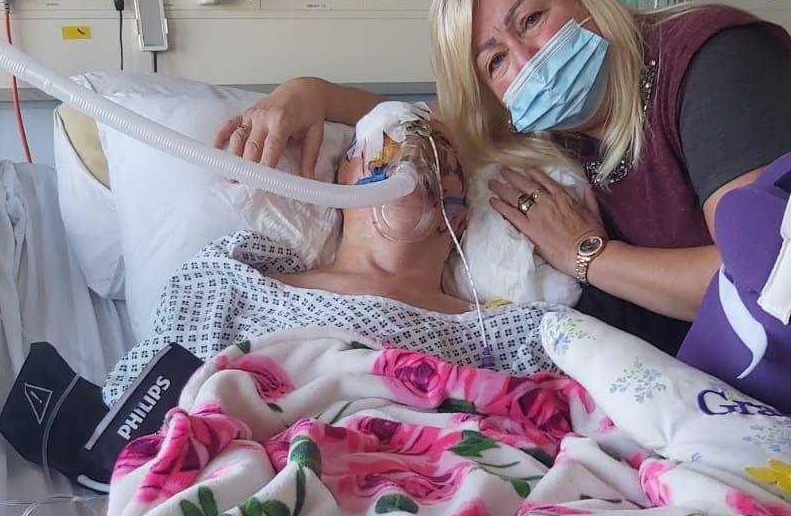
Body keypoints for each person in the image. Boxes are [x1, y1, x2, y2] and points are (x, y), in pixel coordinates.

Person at [214, 0, 791, 369]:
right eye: (495, 60)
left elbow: (769, 279)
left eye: (533, 19)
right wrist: (310, 92)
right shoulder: (555, 136)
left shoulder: (712, 62)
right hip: (772, 379)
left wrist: (587, 254)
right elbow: (432, 135)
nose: (526, 59)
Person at [105, 116, 552, 406]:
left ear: (461, 210)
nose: (415, 159)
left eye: (443, 161)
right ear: (340, 177)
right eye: (385, 144)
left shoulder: (508, 333)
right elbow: (142, 416)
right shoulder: (236, 282)